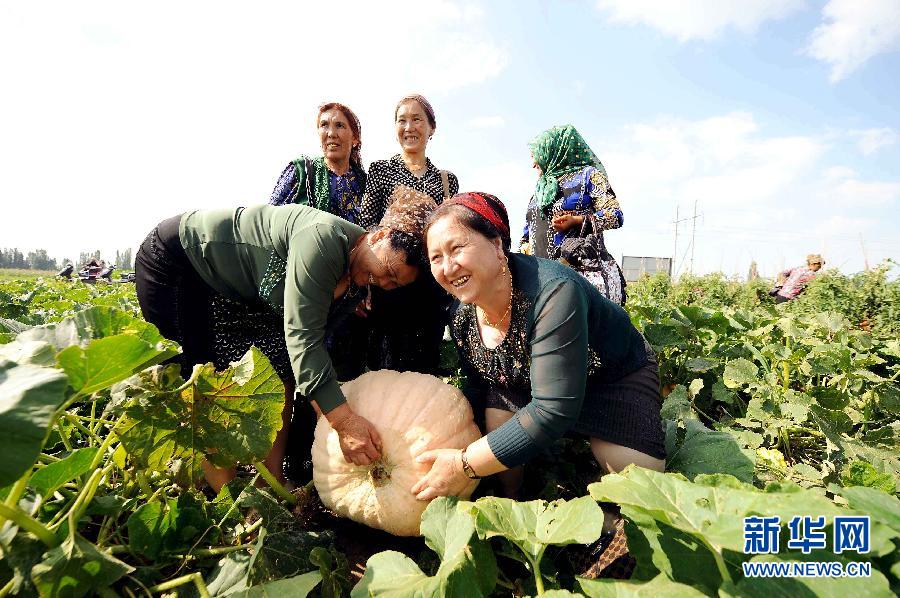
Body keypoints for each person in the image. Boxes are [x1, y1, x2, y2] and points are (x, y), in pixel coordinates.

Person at [134, 189, 437, 492]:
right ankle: (225, 500)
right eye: (389, 271)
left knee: (279, 371)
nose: (383, 282)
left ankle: (270, 486)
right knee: (201, 382)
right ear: (380, 236)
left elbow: (311, 344)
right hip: (180, 263)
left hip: (236, 292)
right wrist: (344, 422)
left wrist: (327, 409)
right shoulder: (324, 240)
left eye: (394, 283)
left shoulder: (355, 282)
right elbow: (303, 340)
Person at [414, 192, 665, 532]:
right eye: (436, 257)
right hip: (530, 385)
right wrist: (456, 441)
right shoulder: (460, 314)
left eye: (456, 248)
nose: (447, 267)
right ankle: (514, 504)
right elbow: (476, 386)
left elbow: (554, 409)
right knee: (495, 419)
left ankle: (605, 516)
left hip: (611, 379)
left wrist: (465, 464)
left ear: (497, 245)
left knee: (638, 484)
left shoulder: (554, 291)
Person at [209, 102, 368, 481]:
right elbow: (271, 221)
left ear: (355, 136)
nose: (331, 133)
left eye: (340, 126)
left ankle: (323, 463)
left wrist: (362, 288)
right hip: (296, 291)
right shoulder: (301, 171)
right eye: (324, 125)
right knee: (291, 370)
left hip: (342, 297)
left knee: (334, 374)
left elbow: (369, 242)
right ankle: (289, 465)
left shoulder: (365, 182)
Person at [358, 94, 460, 374]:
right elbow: (367, 225)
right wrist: (364, 287)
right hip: (388, 286)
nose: (409, 127)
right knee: (384, 367)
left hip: (430, 289)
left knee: (424, 366)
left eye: (417, 119)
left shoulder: (446, 180)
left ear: (431, 128)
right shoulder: (381, 170)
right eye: (402, 120)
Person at [522, 125, 627, 305]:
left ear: (553, 151)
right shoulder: (539, 192)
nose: (533, 164)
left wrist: (577, 221)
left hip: (582, 279)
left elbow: (615, 215)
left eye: (536, 155)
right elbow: (527, 236)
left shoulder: (588, 176)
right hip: (543, 284)